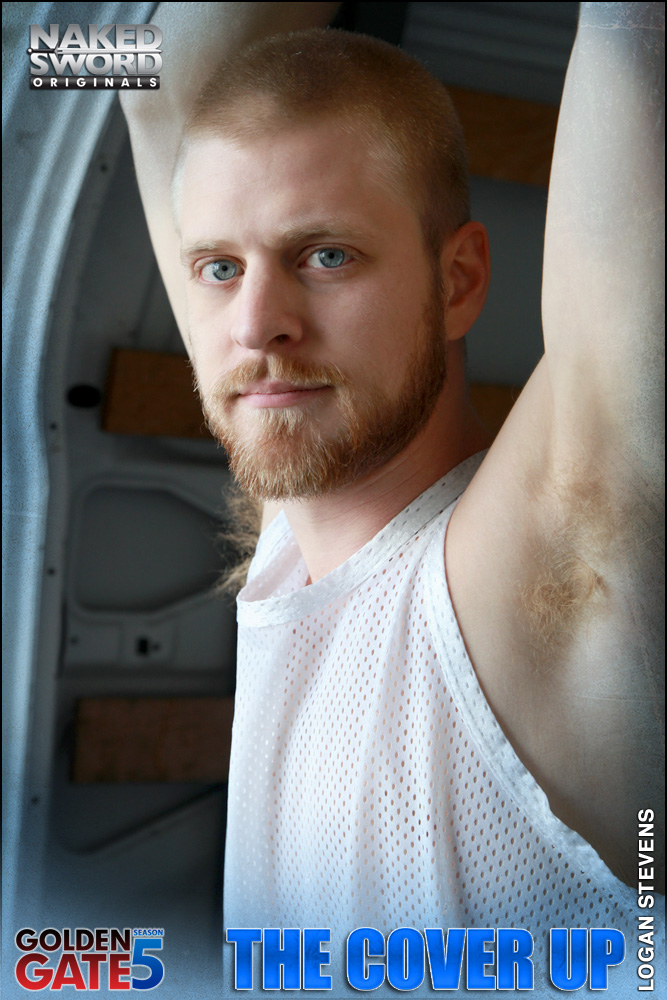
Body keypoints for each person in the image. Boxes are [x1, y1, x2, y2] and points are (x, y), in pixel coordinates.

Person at [121, 2, 664, 994]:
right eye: (219, 268)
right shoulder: (295, 548)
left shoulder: (534, 570)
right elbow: (143, 76)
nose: (256, 324)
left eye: (325, 255)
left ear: (458, 281)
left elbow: (635, 33)